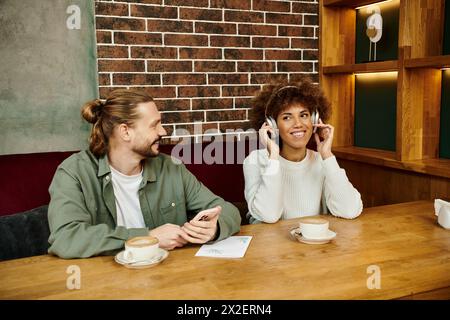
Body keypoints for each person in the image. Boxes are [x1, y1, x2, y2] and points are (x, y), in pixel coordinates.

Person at [47, 89, 241, 258]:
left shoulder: (171, 168)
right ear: (125, 132)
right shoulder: (74, 172)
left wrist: (213, 229)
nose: (163, 131)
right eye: (154, 125)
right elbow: (66, 238)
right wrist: (148, 238)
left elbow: (227, 210)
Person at [243, 78, 363, 224]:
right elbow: (269, 215)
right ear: (272, 124)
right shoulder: (255, 161)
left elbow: (349, 210)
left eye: (304, 115)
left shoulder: (322, 160)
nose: (298, 124)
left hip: (316, 243)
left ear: (314, 120)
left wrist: (327, 155)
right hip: (274, 244)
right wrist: (273, 157)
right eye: (287, 117)